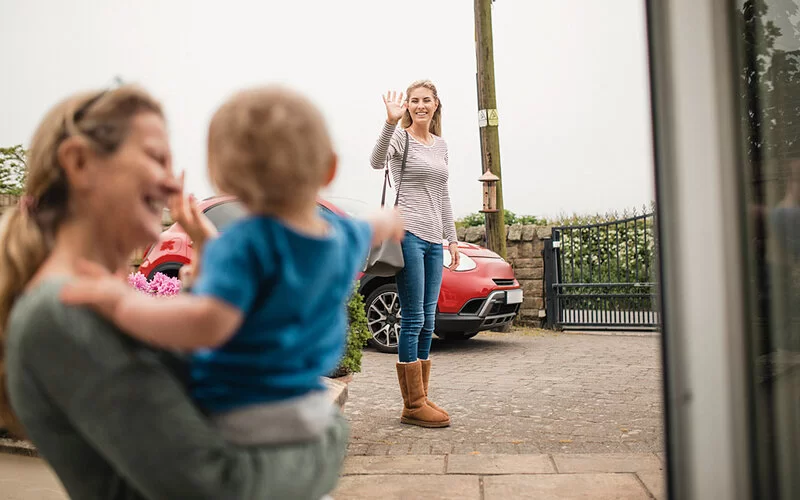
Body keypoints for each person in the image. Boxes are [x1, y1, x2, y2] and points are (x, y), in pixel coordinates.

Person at [0, 85, 352, 499]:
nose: (172, 184)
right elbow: (217, 487)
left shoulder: (85, 301)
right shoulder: (60, 312)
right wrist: (330, 435)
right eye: (156, 159)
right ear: (78, 162)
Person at [369, 79, 458, 428]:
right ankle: (413, 404)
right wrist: (390, 121)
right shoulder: (400, 138)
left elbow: (445, 194)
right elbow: (377, 162)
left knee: (429, 320)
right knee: (413, 318)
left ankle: (420, 395)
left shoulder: (441, 145)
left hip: (435, 238)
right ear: (407, 105)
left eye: (426, 100)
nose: (420, 105)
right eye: (413, 100)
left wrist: (452, 239)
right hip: (408, 234)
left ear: (436, 105)